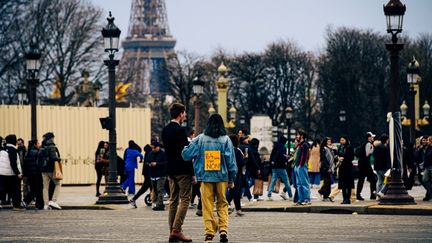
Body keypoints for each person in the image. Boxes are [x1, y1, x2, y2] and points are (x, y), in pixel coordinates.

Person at [182, 114, 237, 243]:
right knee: (222, 203)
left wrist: (186, 147)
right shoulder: (226, 140)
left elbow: (186, 155)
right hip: (222, 176)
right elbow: (231, 162)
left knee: (207, 205)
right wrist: (232, 177)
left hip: (205, 177)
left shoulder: (200, 139)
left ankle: (209, 233)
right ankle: (223, 229)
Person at [161, 103, 195, 243]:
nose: (185, 115)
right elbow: (185, 154)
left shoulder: (165, 130)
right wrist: (192, 172)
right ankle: (177, 230)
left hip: (170, 169)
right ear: (180, 114)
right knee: (185, 199)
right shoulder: (180, 131)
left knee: (173, 200)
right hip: (182, 169)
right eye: (184, 113)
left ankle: (172, 232)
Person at [0, 134, 24, 210]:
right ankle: (16, 205)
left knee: (2, 189)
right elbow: (13, 163)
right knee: (16, 190)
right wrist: (18, 173)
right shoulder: (13, 150)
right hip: (11, 173)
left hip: (2, 173)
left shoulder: (3, 149)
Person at [39, 132, 62, 210]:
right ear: (51, 138)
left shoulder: (42, 146)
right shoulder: (52, 146)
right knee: (58, 184)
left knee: (45, 187)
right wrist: (59, 159)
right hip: (51, 169)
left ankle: (45, 204)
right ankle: (53, 201)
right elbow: (53, 158)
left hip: (43, 170)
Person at [267, 136, 293, 201]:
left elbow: (272, 156)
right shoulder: (283, 148)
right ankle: (290, 195)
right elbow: (282, 157)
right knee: (286, 182)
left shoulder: (275, 146)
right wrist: (286, 160)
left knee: (273, 181)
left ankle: (269, 194)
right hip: (281, 167)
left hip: (274, 167)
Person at [227, 134, 246, 216]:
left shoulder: (228, 150)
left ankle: (238, 209)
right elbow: (241, 163)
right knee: (235, 192)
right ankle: (227, 206)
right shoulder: (237, 151)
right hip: (237, 173)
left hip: (228, 173)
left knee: (235, 192)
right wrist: (245, 158)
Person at [22, 139, 44, 209]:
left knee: (33, 189)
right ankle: (37, 205)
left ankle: (28, 202)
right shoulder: (38, 152)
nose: (39, 144)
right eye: (38, 143)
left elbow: (25, 164)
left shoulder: (27, 152)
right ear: (35, 144)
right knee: (39, 190)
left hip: (30, 175)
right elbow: (40, 164)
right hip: (37, 174)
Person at [146, 140, 167, 210]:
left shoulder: (163, 154)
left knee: (159, 190)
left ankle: (159, 205)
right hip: (153, 175)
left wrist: (157, 164)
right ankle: (158, 203)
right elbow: (146, 162)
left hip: (161, 175)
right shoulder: (150, 154)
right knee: (155, 190)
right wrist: (149, 164)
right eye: (152, 148)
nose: (153, 149)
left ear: (158, 147)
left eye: (154, 148)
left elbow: (165, 163)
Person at [356, 132, 377, 200]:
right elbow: (367, 154)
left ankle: (358, 194)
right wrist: (372, 149)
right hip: (366, 164)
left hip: (362, 163)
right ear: (369, 137)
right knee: (373, 179)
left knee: (361, 179)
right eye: (372, 137)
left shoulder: (364, 143)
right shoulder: (368, 144)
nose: (373, 138)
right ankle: (373, 195)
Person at [293, 129, 311, 205]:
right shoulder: (301, 144)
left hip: (301, 166)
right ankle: (300, 199)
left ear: (301, 136)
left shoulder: (304, 145)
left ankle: (306, 199)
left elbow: (304, 156)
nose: (296, 136)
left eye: (297, 135)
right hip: (298, 166)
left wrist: (300, 164)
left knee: (304, 183)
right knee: (299, 184)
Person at [337, 136, 355, 204]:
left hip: (348, 167)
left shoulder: (349, 147)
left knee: (349, 184)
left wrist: (344, 158)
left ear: (346, 140)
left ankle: (348, 198)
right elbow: (337, 156)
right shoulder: (340, 148)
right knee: (343, 184)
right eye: (341, 140)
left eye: (343, 140)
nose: (341, 141)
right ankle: (344, 198)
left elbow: (352, 157)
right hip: (342, 167)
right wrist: (338, 158)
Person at [373, 134, 391, 198]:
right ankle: (381, 192)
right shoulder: (385, 148)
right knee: (387, 181)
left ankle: (378, 195)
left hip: (377, 167)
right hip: (383, 167)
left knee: (379, 181)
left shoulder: (377, 147)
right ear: (386, 140)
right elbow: (386, 158)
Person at [422, 136, 432, 201]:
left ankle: (429, 194)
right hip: (427, 166)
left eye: (428, 140)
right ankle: (430, 191)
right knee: (424, 179)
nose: (427, 141)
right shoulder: (428, 148)